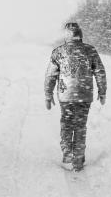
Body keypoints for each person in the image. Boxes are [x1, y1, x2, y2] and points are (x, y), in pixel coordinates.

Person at [44, 21, 107, 172]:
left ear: (66, 36)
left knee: (67, 124)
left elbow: (50, 75)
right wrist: (102, 91)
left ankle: (67, 156)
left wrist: (48, 95)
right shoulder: (90, 51)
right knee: (80, 126)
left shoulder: (58, 52)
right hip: (84, 96)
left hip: (66, 96)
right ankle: (78, 159)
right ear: (80, 35)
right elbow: (100, 72)